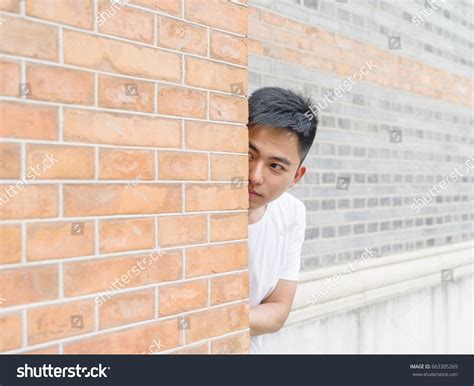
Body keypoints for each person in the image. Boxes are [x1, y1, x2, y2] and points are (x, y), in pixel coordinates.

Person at [247, 87, 318, 354]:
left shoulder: (291, 214)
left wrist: (216, 318)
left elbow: (278, 310)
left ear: (297, 176)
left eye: (275, 166)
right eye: (248, 154)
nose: (255, 175)